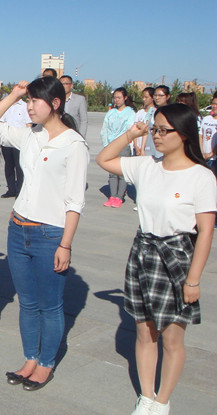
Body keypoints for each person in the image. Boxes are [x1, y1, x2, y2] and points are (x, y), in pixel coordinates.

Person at [96, 103, 216, 415]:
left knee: (173, 338)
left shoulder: (201, 176)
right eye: (154, 129)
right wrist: (130, 134)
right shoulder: (147, 165)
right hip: (143, 252)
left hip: (176, 257)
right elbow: (103, 159)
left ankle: (163, 401)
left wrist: (193, 280)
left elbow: (205, 232)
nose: (157, 136)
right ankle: (146, 396)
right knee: (145, 333)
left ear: (184, 134)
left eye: (164, 130)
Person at [0, 77, 89, 391]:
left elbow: (75, 201)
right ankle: (30, 359)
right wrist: (14, 95)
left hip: (50, 234)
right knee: (27, 303)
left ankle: (45, 363)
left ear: (55, 103)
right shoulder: (29, 134)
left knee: (50, 305)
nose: (28, 107)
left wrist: (65, 244)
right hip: (18, 229)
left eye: (34, 100)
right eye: (27, 101)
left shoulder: (74, 145)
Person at [100, 87, 135, 208]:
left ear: (125, 98)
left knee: (121, 173)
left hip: (123, 146)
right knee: (112, 173)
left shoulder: (130, 113)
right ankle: (112, 196)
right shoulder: (111, 113)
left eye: (119, 97)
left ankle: (119, 197)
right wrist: (106, 144)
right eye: (115, 97)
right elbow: (104, 129)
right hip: (110, 145)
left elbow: (130, 129)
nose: (117, 100)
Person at [0, 98, 31, 198]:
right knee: (8, 166)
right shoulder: (6, 106)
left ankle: (19, 191)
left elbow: (28, 124)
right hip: (7, 141)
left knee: (19, 166)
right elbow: (2, 122)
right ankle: (11, 190)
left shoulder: (24, 106)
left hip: (19, 142)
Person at [133, 87, 156, 156]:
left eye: (146, 97)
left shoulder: (155, 112)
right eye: (143, 97)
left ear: (152, 98)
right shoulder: (140, 113)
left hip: (149, 148)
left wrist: (143, 149)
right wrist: (136, 147)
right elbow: (134, 130)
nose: (144, 99)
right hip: (138, 148)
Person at [200, 95, 217, 176]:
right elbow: (200, 135)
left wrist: (211, 154)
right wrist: (202, 152)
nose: (214, 106)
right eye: (213, 103)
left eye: (216, 104)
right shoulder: (206, 119)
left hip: (214, 159)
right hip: (203, 157)